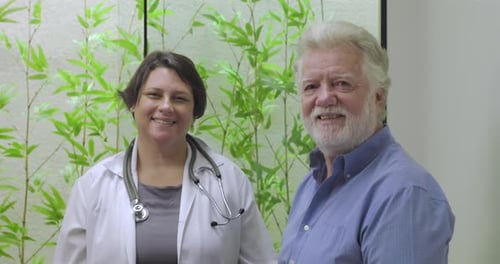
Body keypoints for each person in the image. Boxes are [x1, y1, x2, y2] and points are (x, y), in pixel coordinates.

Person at [54, 50, 277, 263]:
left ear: (194, 112)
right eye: (154, 95)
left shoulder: (229, 181)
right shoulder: (93, 186)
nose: (166, 106)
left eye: (179, 98)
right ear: (133, 103)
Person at [278, 21, 455, 263]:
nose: (325, 98)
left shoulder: (404, 196)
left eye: (341, 83)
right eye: (311, 86)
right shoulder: (311, 184)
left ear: (378, 97)